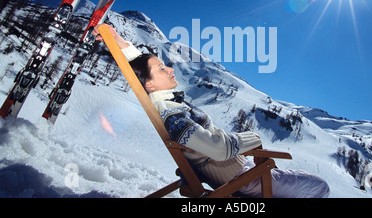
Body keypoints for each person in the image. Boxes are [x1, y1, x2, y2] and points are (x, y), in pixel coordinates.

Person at [93, 24, 330, 198]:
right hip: (243, 180)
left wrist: (117, 41)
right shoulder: (173, 115)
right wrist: (253, 138)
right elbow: (218, 149)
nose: (170, 70)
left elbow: (139, 65)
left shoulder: (165, 102)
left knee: (304, 180)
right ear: (150, 85)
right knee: (320, 187)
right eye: (162, 69)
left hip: (243, 171)